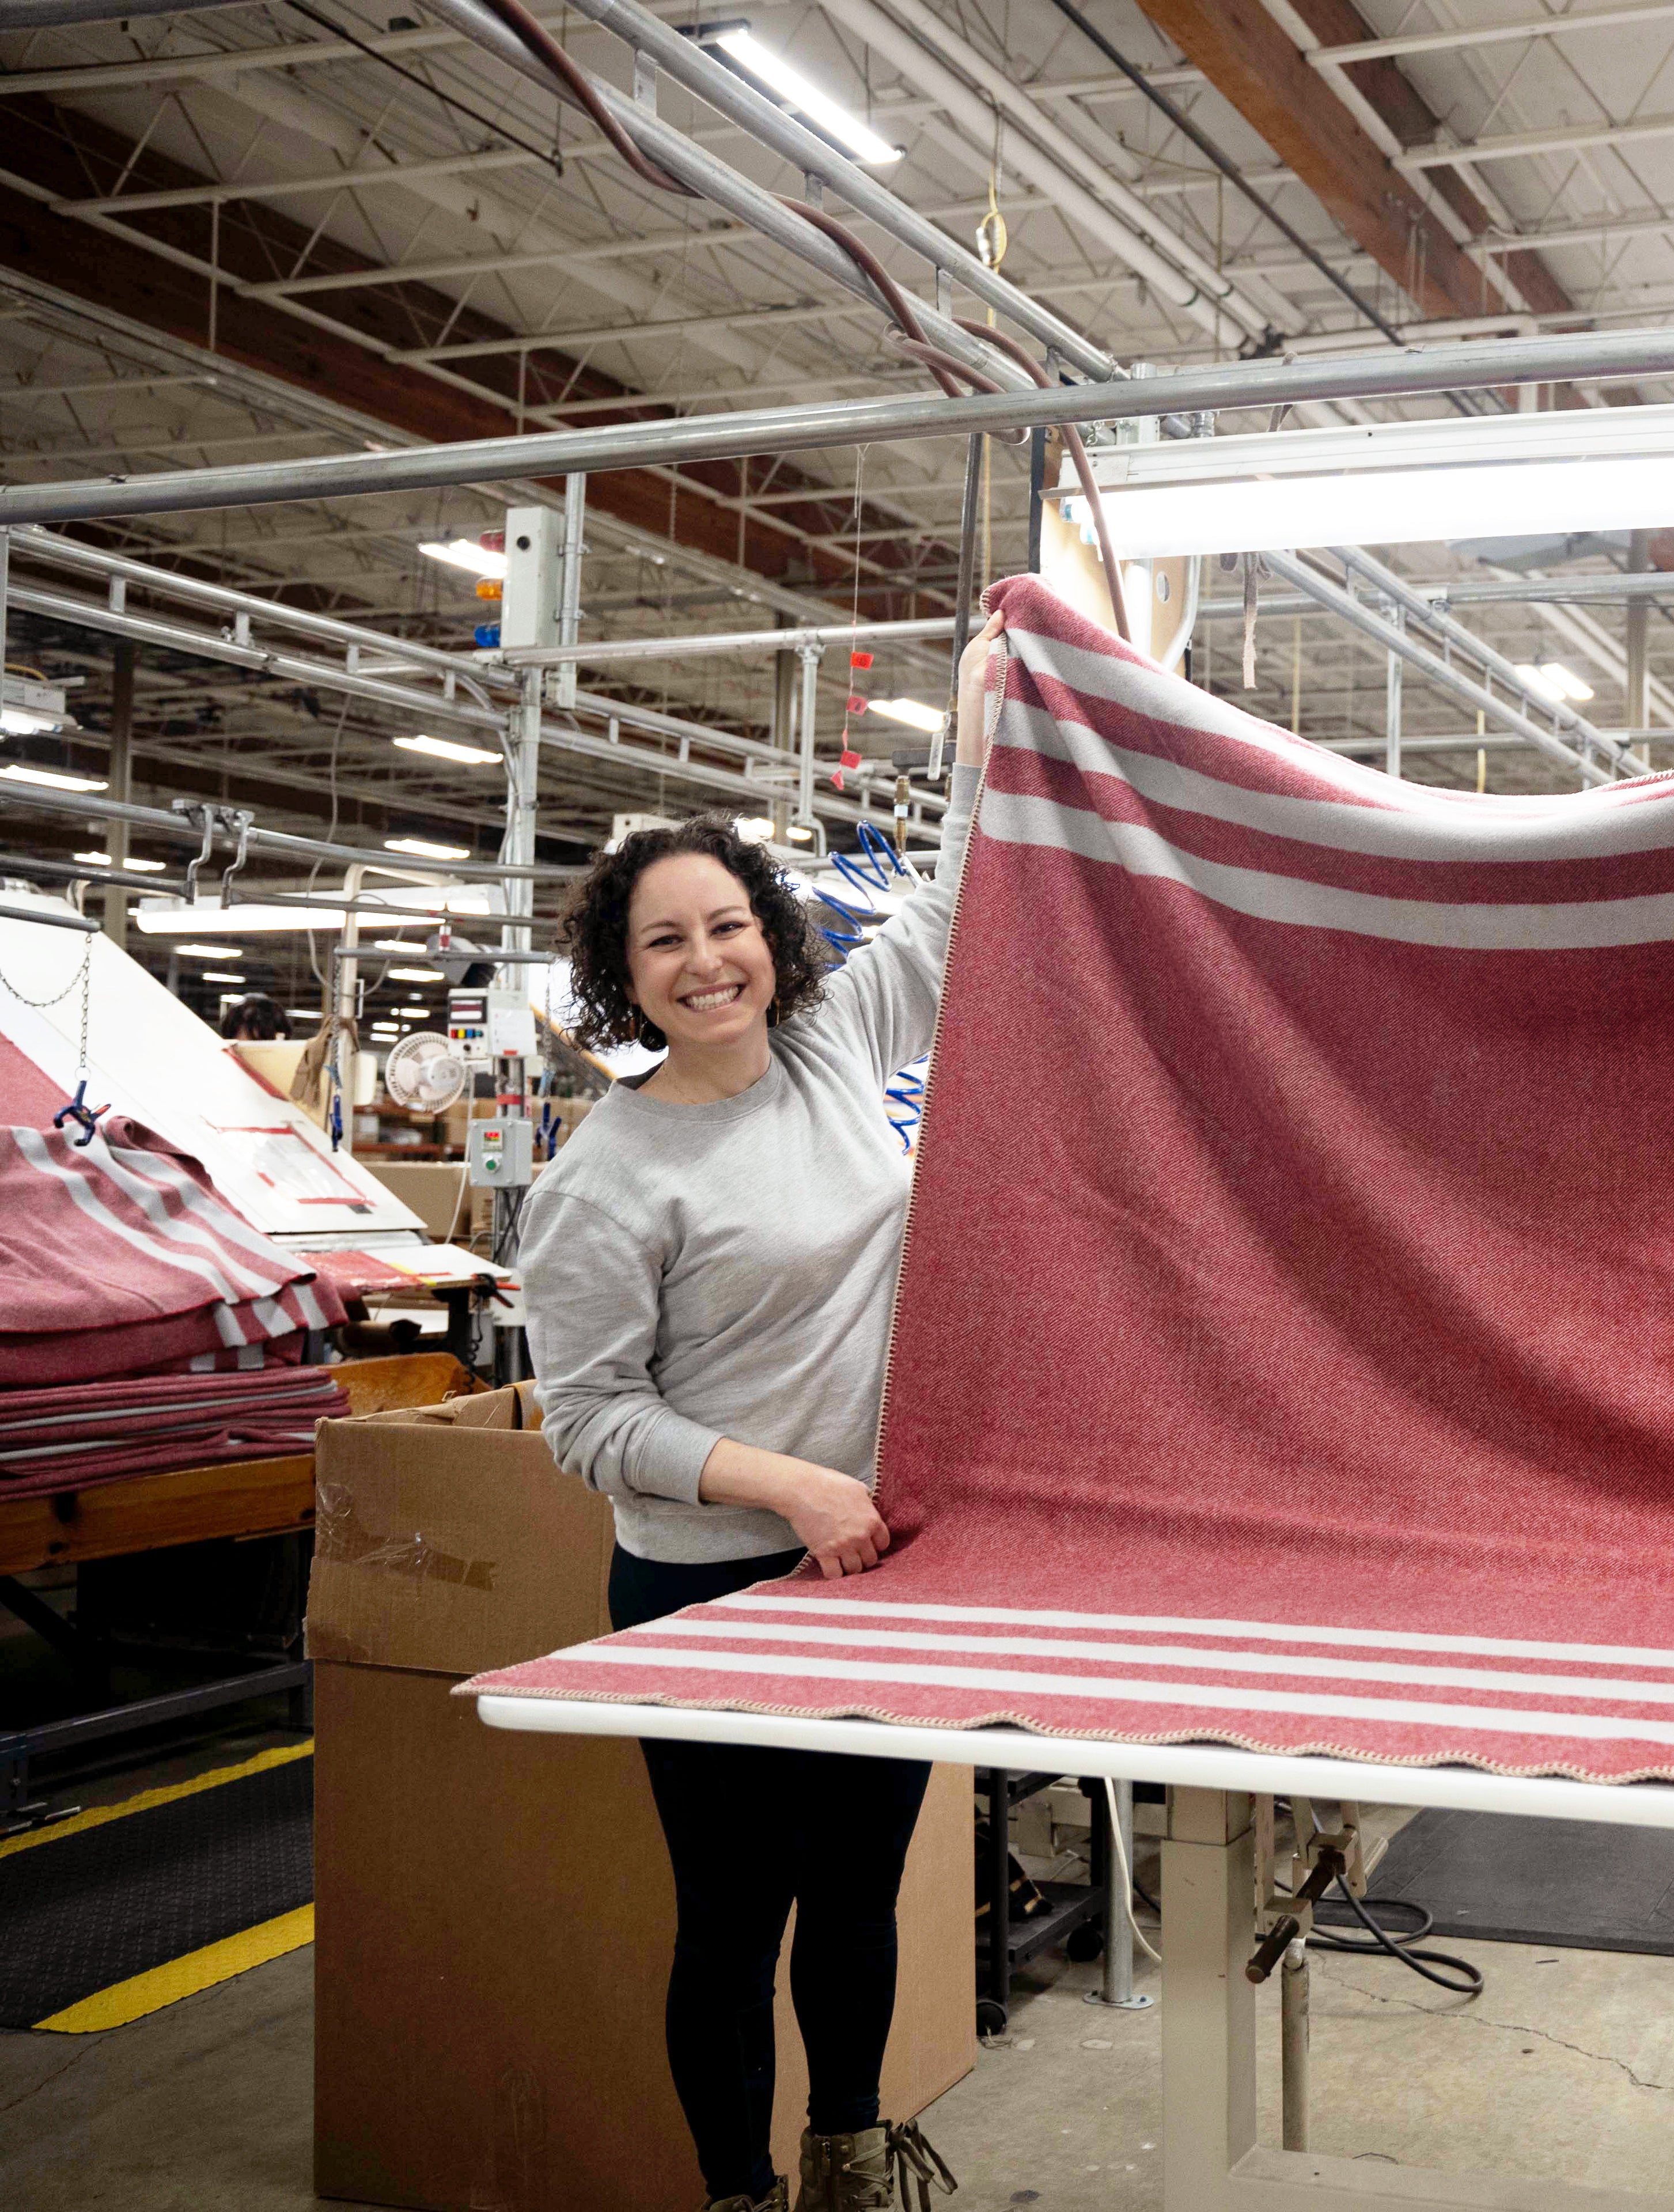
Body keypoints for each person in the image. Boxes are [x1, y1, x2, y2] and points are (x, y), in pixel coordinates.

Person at [523, 615, 1001, 2212]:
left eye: (726, 925)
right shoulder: (604, 1180)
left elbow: (953, 910)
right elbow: (587, 1420)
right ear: (625, 976)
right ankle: (735, 2192)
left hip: (876, 1566)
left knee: (857, 1893)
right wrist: (787, 1485)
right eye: (665, 942)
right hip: (705, 1578)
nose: (707, 960)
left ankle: (845, 2163)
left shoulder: (834, 1049)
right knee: (736, 1916)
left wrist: (988, 719)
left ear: (772, 936)